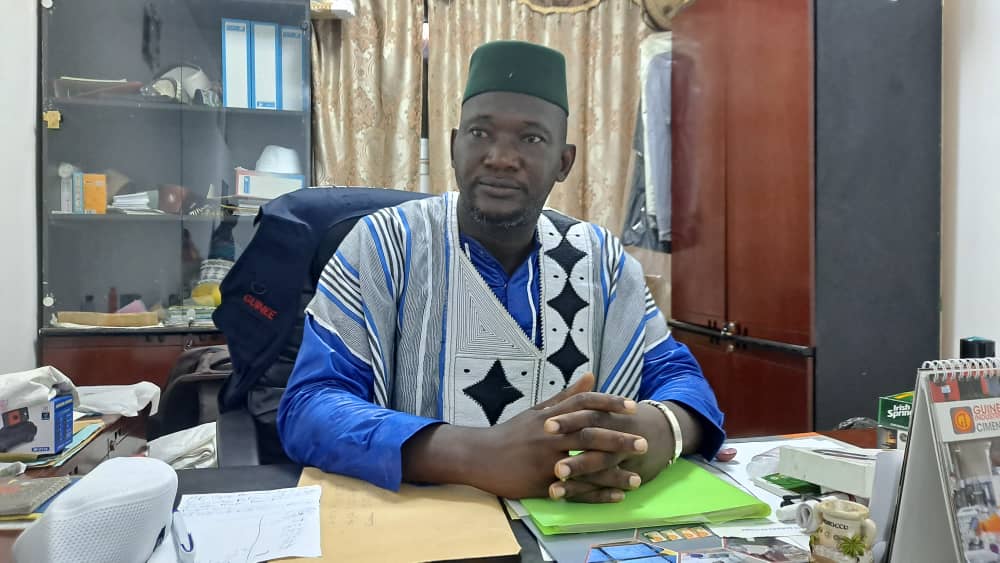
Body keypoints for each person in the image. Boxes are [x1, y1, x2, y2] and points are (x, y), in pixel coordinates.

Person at [278, 40, 724, 503]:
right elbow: (310, 407)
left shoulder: (603, 260)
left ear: (564, 162)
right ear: (454, 146)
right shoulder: (384, 244)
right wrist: (472, 454)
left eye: (531, 139)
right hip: (428, 520)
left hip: (577, 524)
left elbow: (681, 380)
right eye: (480, 133)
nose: (501, 158)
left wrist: (662, 431)